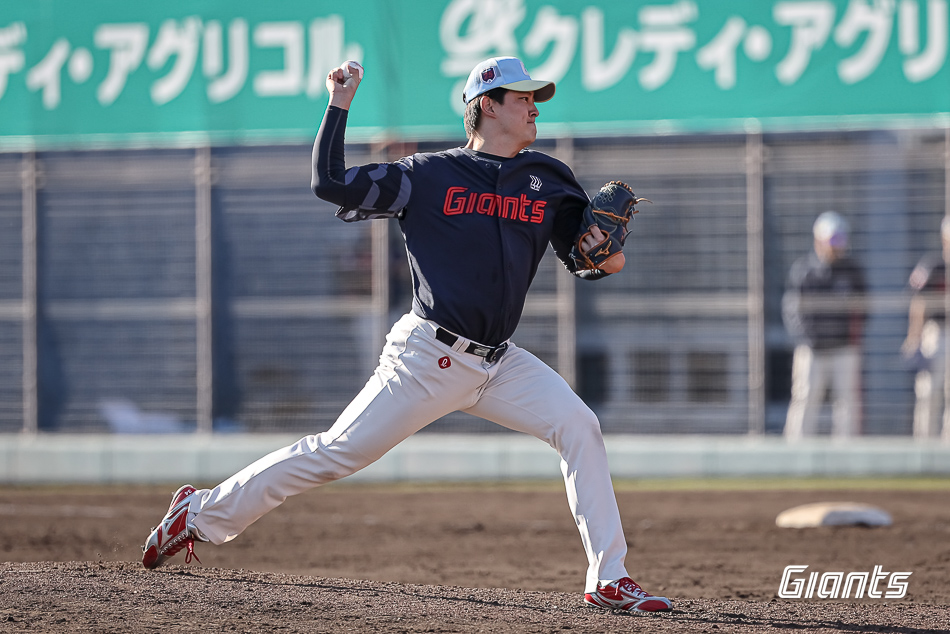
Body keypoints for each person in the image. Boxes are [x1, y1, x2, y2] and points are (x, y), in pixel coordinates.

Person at [140, 56, 672, 613]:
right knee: (335, 454)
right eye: (522, 98)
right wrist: (339, 103)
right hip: (427, 358)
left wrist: (603, 253)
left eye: (535, 98)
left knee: (579, 426)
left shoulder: (549, 178)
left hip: (499, 363)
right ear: (487, 107)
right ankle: (198, 514)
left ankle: (609, 577)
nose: (534, 107)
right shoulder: (427, 175)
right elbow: (330, 183)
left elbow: (587, 261)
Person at [782, 211, 867, 439]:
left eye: (840, 240)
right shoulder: (804, 270)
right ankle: (796, 449)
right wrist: (808, 338)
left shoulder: (851, 271)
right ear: (819, 240)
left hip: (844, 347)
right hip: (812, 349)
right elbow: (792, 310)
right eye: (832, 240)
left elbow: (863, 307)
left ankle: (847, 449)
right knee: (805, 398)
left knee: (847, 401)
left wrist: (851, 335)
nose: (837, 246)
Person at [902, 217, 950, 440]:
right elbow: (918, 303)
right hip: (937, 333)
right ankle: (924, 444)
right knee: (929, 391)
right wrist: (914, 338)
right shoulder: (933, 266)